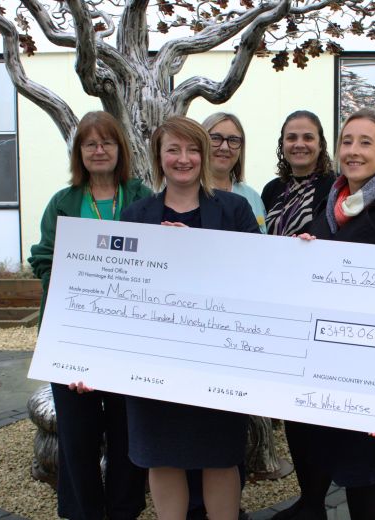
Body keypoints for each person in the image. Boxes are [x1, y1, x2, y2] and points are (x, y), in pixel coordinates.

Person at [276, 108, 375, 520]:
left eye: (365, 142)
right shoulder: (331, 209)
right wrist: (305, 255)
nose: (353, 151)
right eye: (347, 141)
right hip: (316, 369)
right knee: (313, 471)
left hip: (366, 374)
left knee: (363, 482)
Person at [120, 116, 259, 520]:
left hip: (217, 359)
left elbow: (259, 276)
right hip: (154, 361)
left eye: (193, 149)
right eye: (173, 150)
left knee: (220, 457)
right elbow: (119, 292)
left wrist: (196, 249)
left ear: (204, 155)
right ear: (158, 157)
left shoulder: (234, 210)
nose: (184, 159)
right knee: (162, 458)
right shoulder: (135, 216)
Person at [28, 110, 150, 520]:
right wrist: (71, 286)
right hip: (73, 334)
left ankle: (124, 509)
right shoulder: (63, 202)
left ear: (120, 149)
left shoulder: (140, 196)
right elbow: (43, 257)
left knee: (125, 431)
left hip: (128, 338)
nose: (99, 150)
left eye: (107, 142)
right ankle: (84, 512)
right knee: (78, 435)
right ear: (79, 152)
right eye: (90, 144)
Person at [261, 110, 336, 236]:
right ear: (282, 145)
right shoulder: (271, 189)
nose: (299, 144)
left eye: (308, 138)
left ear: (321, 145)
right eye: (291, 138)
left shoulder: (335, 187)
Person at [202, 112, 267, 233]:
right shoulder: (185, 193)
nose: (225, 147)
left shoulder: (253, 197)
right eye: (216, 138)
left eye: (233, 140)